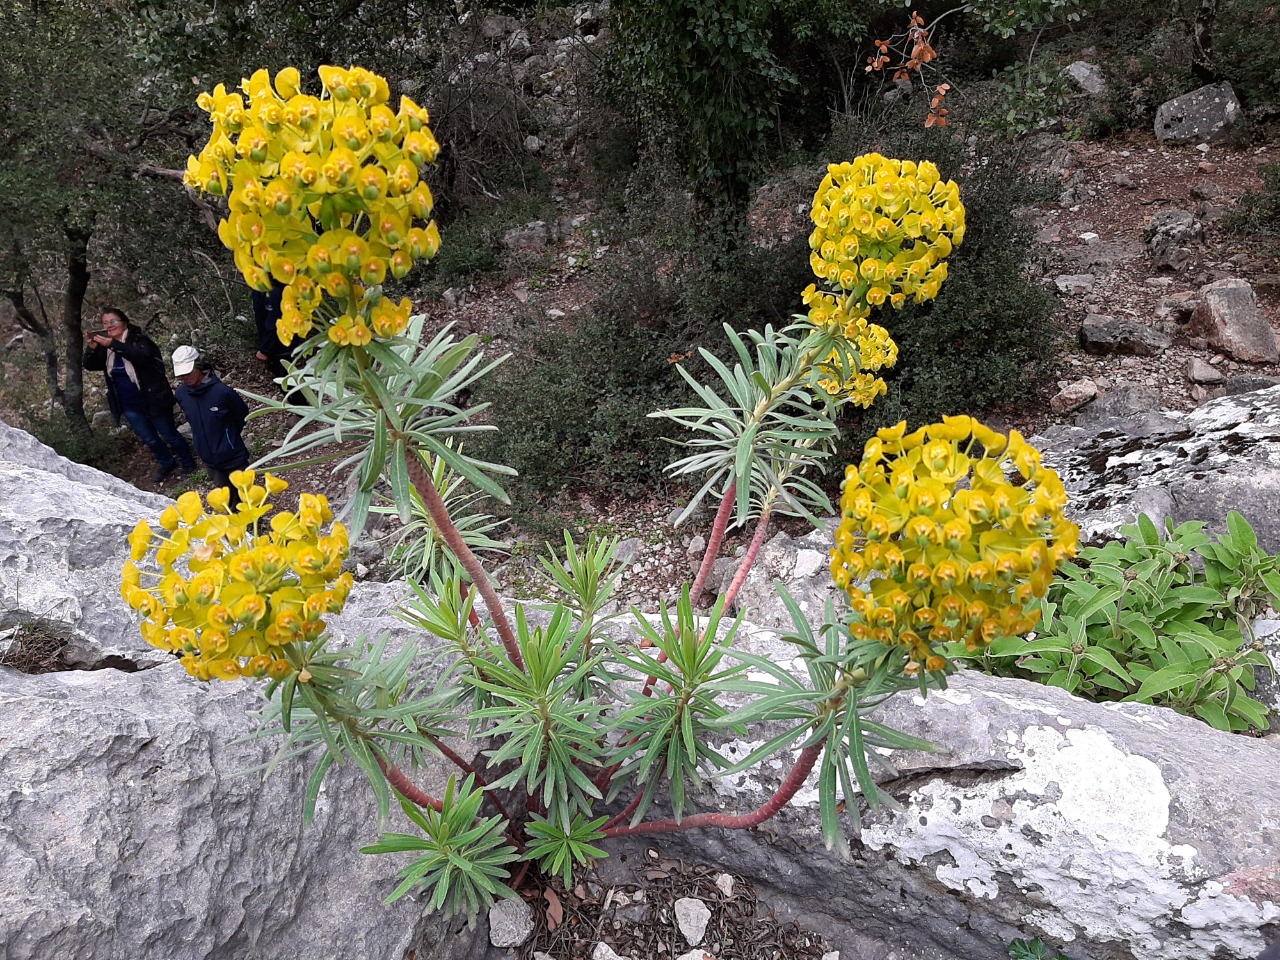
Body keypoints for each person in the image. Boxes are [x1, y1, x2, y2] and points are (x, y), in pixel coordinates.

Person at [84, 308, 197, 483]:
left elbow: (141, 357)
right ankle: (167, 463)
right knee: (150, 439)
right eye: (105, 323)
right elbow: (90, 365)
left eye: (113, 321)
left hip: (154, 399)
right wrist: (92, 349)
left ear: (125, 323)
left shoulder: (139, 341)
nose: (109, 326)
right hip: (130, 405)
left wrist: (113, 345)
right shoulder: (105, 348)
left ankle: (189, 465)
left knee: (170, 435)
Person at [172, 345, 251, 506]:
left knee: (248, 496)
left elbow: (241, 414)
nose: (185, 377)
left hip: (233, 455)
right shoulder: (181, 394)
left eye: (188, 372)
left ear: (198, 366)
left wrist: (229, 437)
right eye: (182, 375)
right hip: (209, 458)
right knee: (226, 499)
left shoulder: (222, 392)